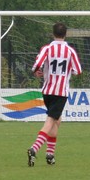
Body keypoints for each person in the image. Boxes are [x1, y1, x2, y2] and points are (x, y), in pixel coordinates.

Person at [27, 22, 82, 166]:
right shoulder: (70, 51)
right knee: (51, 120)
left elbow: (37, 65)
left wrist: (37, 72)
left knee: (57, 120)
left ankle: (50, 155)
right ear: (65, 34)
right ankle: (34, 148)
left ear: (53, 33)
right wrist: (68, 71)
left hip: (47, 91)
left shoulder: (47, 48)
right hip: (61, 92)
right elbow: (78, 70)